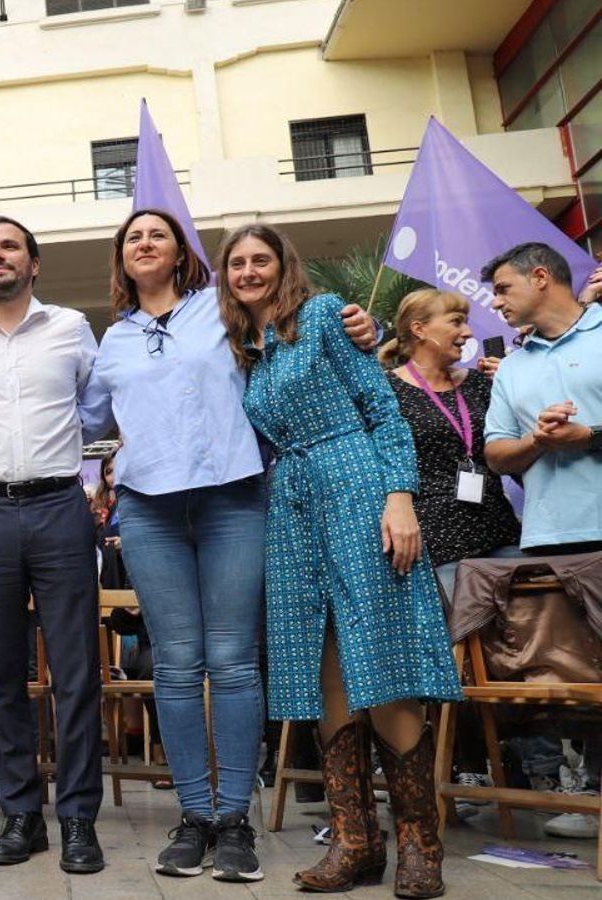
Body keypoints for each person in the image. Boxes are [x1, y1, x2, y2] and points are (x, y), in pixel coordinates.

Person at [219, 223, 460, 900]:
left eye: (260, 259)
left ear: (282, 265)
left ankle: (420, 842)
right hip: (292, 504)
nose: (248, 270)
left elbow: (383, 408)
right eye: (236, 262)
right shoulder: (252, 350)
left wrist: (400, 496)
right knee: (324, 664)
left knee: (379, 658)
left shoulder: (324, 317)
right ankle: (356, 842)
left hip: (356, 482)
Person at [0, 215, 105, 874]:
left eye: (9, 246)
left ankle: (77, 819)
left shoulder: (70, 327)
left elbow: (95, 407)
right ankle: (20, 814)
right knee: (1, 674)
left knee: (76, 672)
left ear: (33, 263)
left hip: (60, 506)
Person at [380, 289, 522, 598]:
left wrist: (513, 384)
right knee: (461, 642)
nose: (467, 332)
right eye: (456, 322)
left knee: (524, 635)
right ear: (419, 329)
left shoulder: (480, 382)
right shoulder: (385, 390)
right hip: (434, 544)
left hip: (500, 533)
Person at [483, 242, 602, 556]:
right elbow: (495, 456)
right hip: (546, 540)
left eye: (503, 289)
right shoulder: (509, 367)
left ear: (540, 277)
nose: (495, 302)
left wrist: (589, 437)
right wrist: (537, 441)